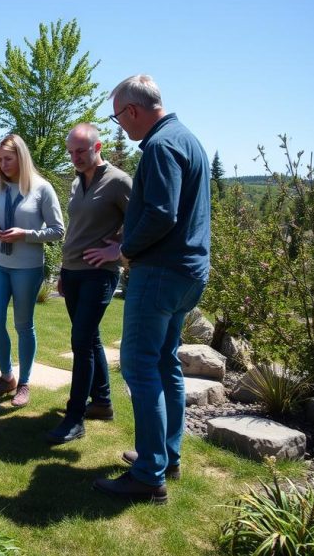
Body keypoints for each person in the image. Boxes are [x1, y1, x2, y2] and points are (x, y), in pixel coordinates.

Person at [86, 75, 210, 504]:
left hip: (159, 271)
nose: (120, 126)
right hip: (188, 273)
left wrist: (125, 248)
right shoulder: (187, 139)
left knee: (139, 367)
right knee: (164, 363)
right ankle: (166, 457)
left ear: (133, 111)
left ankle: (148, 473)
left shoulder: (160, 146)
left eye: (118, 118)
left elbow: (160, 214)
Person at [45, 123, 131, 445]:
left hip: (100, 272)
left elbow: (143, 220)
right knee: (91, 338)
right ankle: (104, 402)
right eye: (71, 152)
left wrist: (118, 248)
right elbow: (77, 227)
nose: (75, 157)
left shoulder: (119, 182)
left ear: (98, 147)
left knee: (80, 341)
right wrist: (64, 270)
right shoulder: (77, 182)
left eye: (80, 151)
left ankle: (74, 417)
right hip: (74, 270)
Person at [0, 133, 64, 407]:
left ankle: (24, 383)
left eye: (8, 158)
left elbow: (57, 230)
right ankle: (7, 377)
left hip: (27, 268)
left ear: (21, 157)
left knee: (23, 325)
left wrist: (26, 234)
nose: (2, 164)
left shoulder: (42, 188)